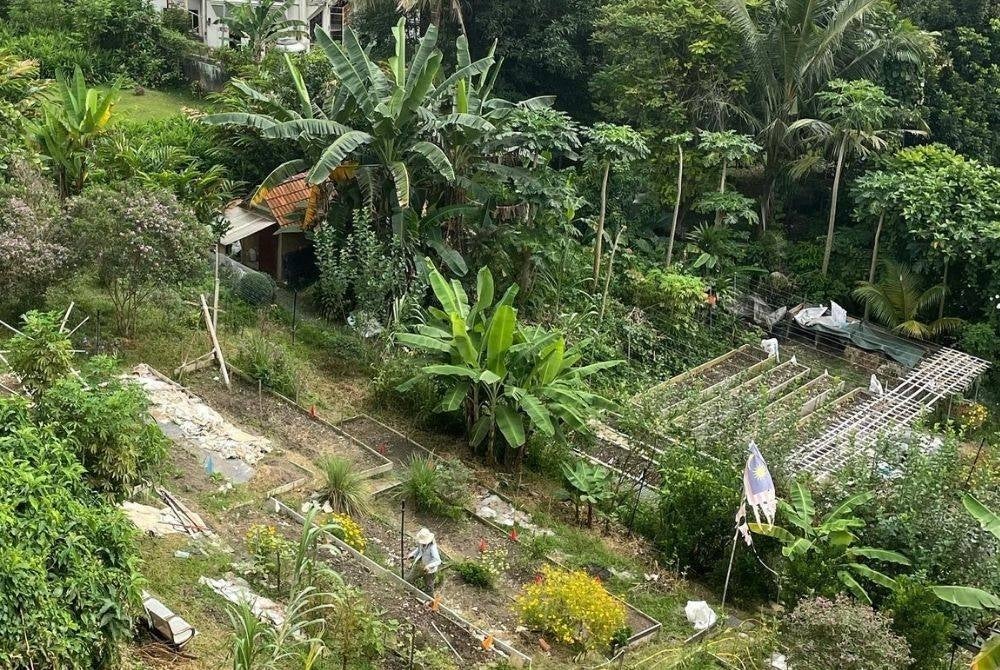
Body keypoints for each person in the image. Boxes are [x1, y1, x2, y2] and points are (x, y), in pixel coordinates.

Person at [405, 527, 441, 595]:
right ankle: (408, 589)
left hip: (430, 569)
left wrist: (429, 566)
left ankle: (429, 600)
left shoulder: (432, 547)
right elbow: (418, 550)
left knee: (429, 586)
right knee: (410, 578)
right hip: (420, 563)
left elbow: (438, 560)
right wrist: (412, 554)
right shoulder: (420, 543)